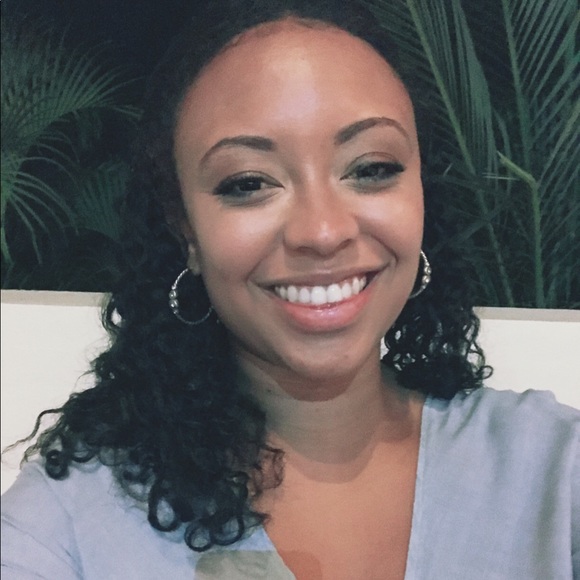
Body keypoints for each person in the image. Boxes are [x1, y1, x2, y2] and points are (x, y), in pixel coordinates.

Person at [2, 1, 578, 578]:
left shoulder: (552, 470)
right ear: (185, 230)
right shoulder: (68, 521)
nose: (322, 232)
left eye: (372, 168)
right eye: (248, 182)